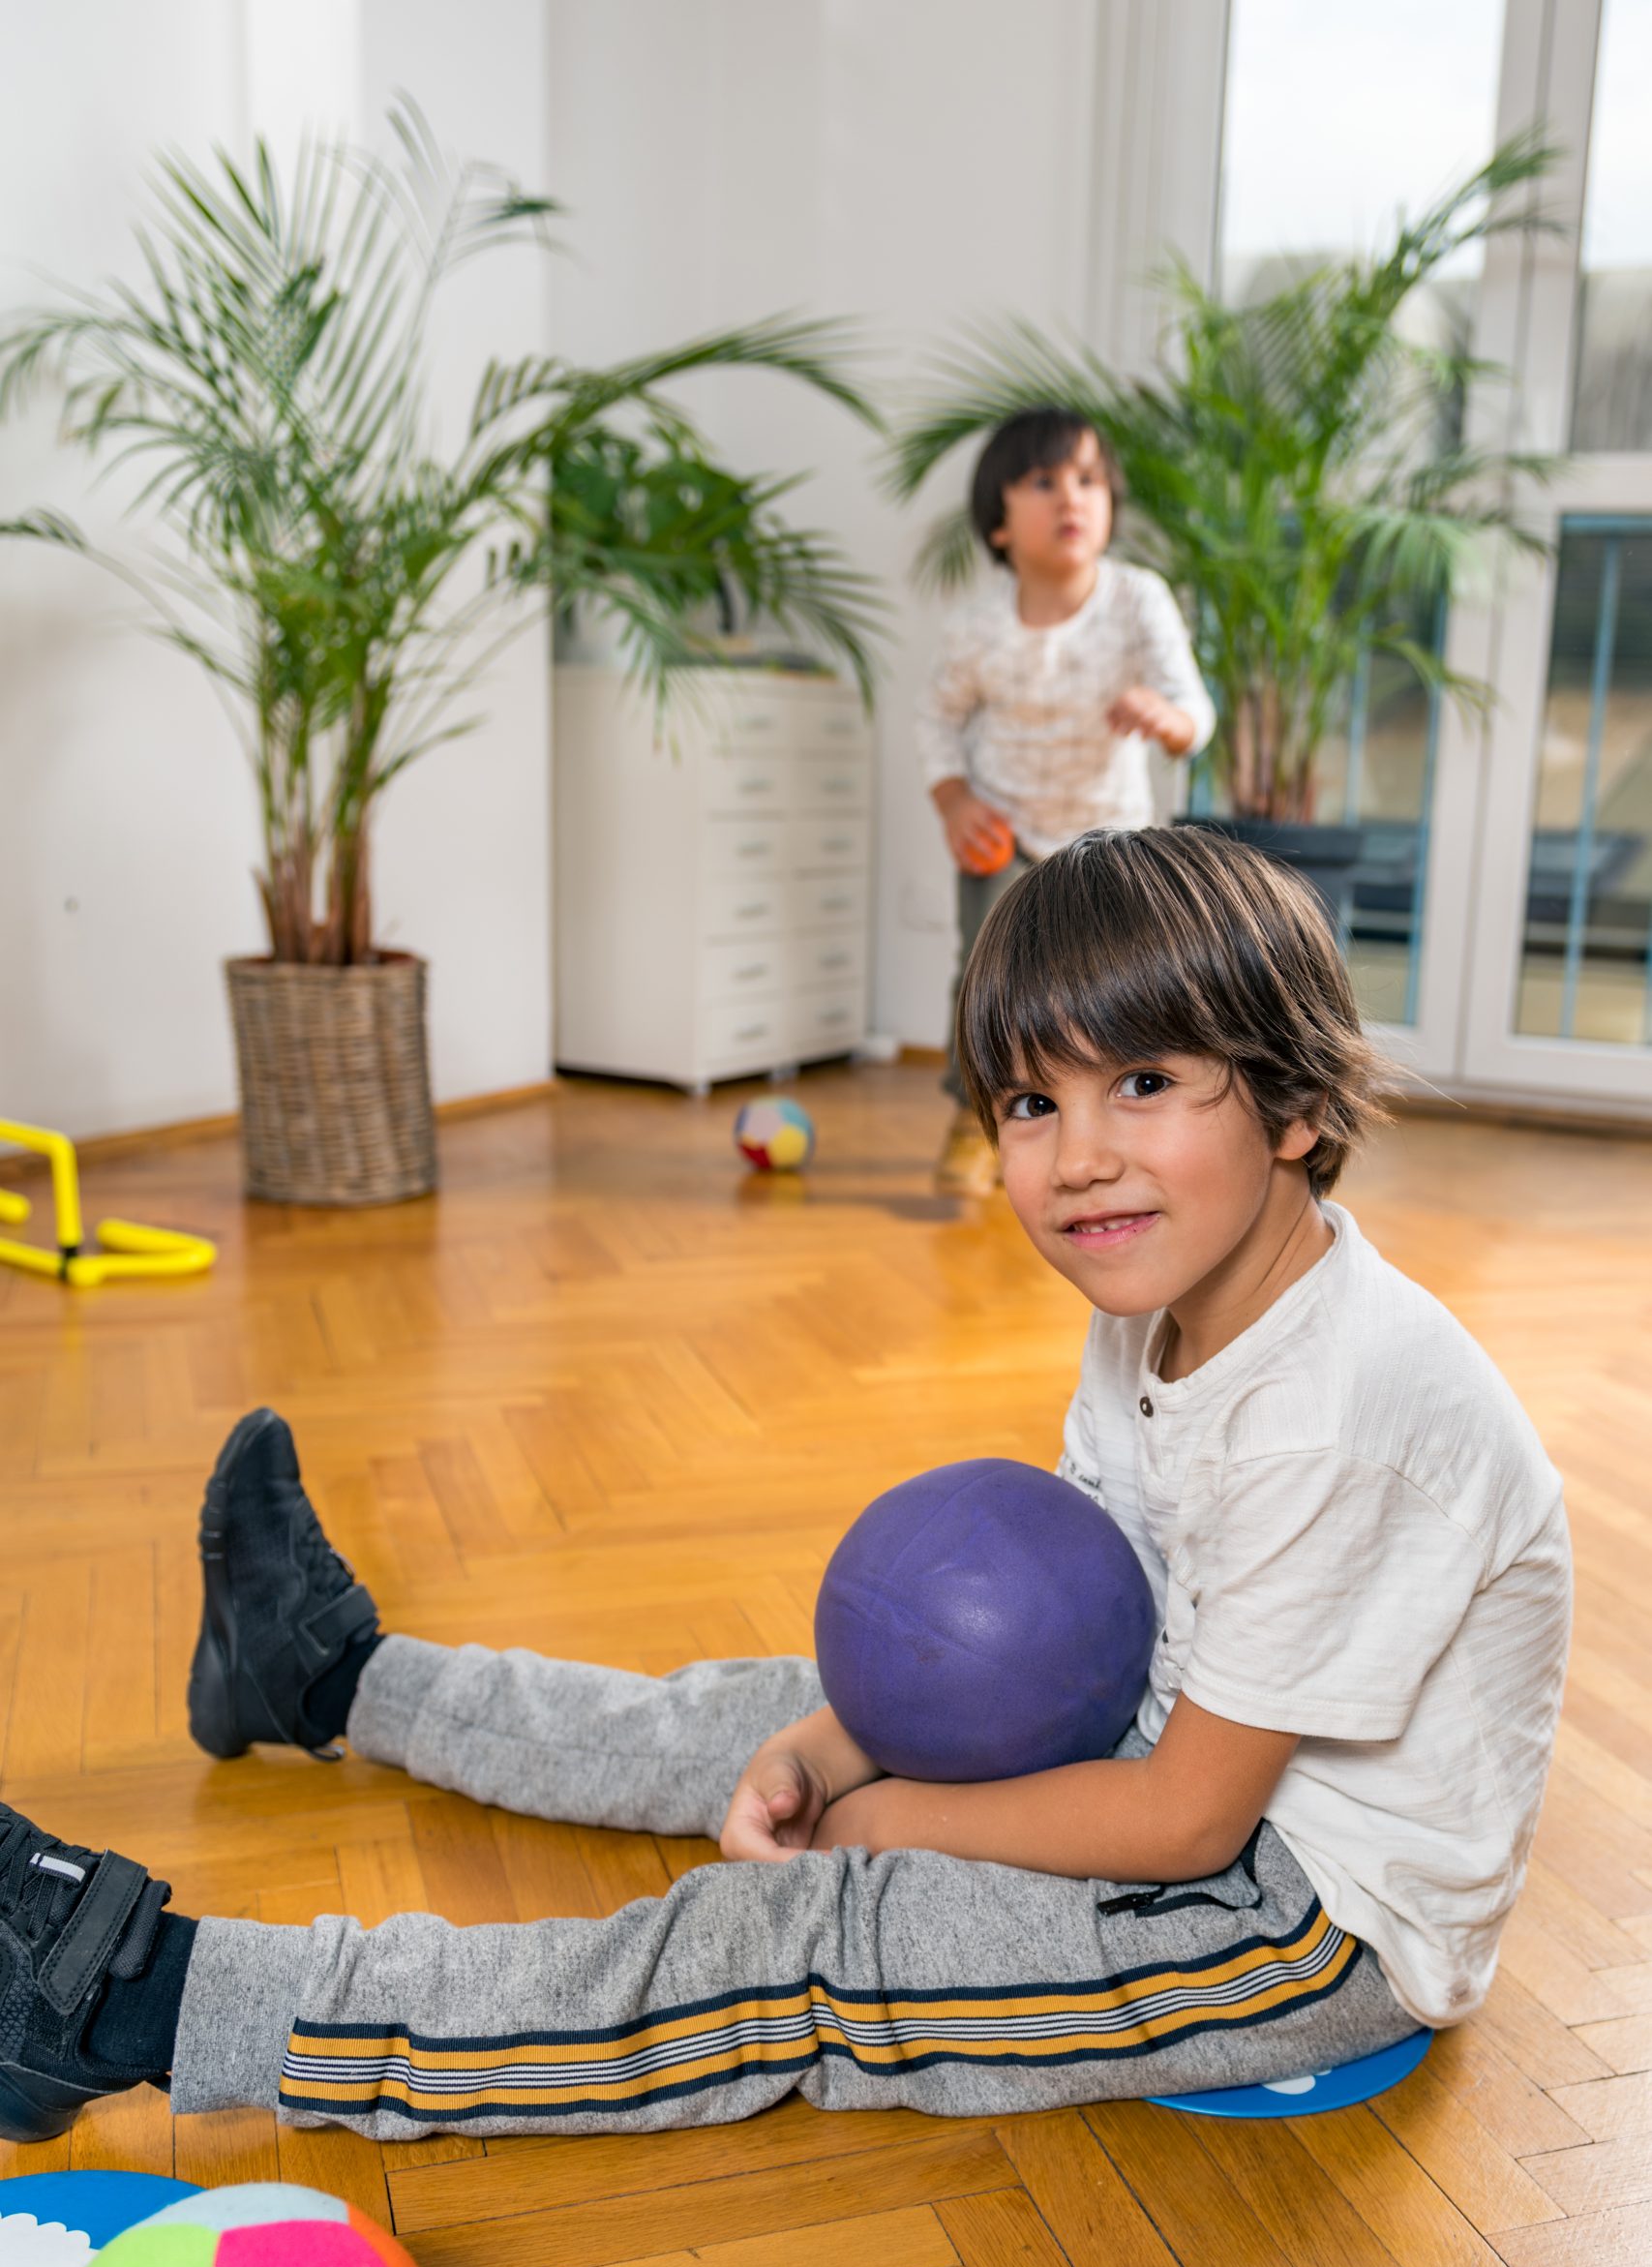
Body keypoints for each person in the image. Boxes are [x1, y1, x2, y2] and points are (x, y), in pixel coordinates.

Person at [0, 831, 1570, 2148]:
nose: (1075, 1156)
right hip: (1169, 1740)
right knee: (753, 1709)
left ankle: (132, 1999)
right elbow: (1091, 1611)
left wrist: (880, 1816)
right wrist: (829, 1739)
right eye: (1031, 1103)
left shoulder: (1342, 1409)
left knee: (784, 1946)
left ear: (1297, 1109)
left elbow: (1180, 1821)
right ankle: (332, 1677)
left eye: (1143, 1081)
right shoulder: (1159, 1297)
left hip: (1293, 1919)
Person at [917, 407, 1215, 1195]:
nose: (1070, 499)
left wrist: (1171, 720)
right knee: (986, 990)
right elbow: (936, 723)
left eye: (1087, 480)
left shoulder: (1136, 600)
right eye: (1043, 482)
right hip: (1004, 835)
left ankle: (1121, 1133)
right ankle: (974, 1122)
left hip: (1112, 842)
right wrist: (952, 801)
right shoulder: (976, 628)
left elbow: (1192, 704)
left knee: (1120, 995)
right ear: (999, 522)